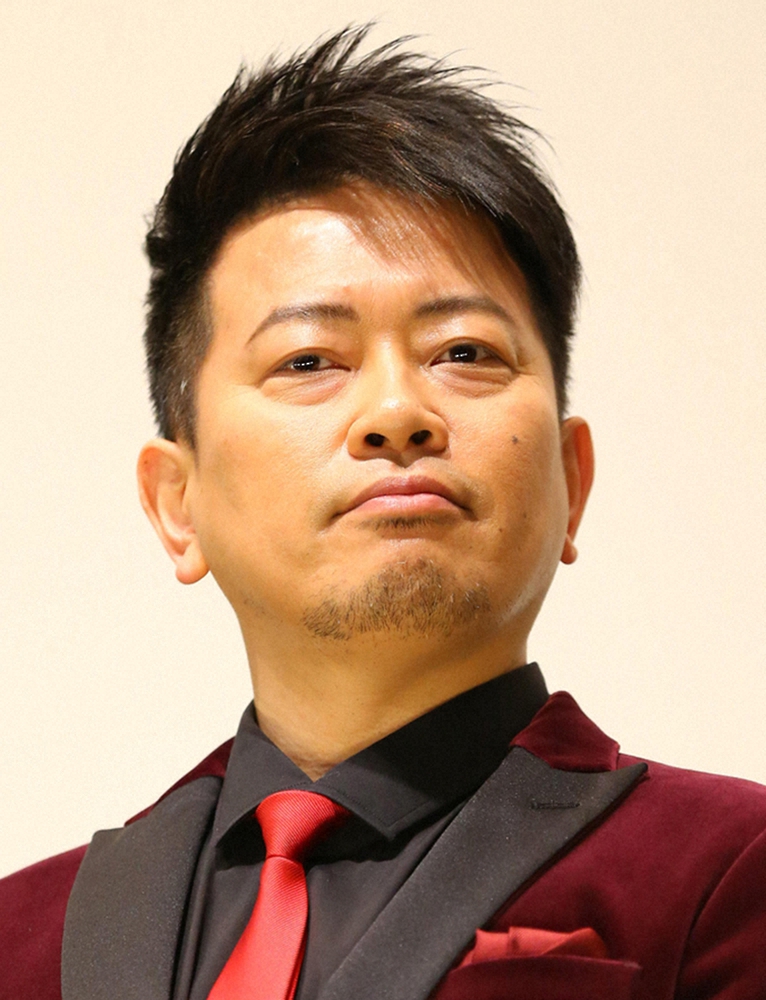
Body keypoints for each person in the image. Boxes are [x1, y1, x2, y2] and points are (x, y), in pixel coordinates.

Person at [2, 25, 765, 1000]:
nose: (398, 411)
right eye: (309, 359)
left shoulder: (727, 871)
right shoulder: (20, 936)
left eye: (465, 352)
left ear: (572, 479)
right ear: (176, 504)